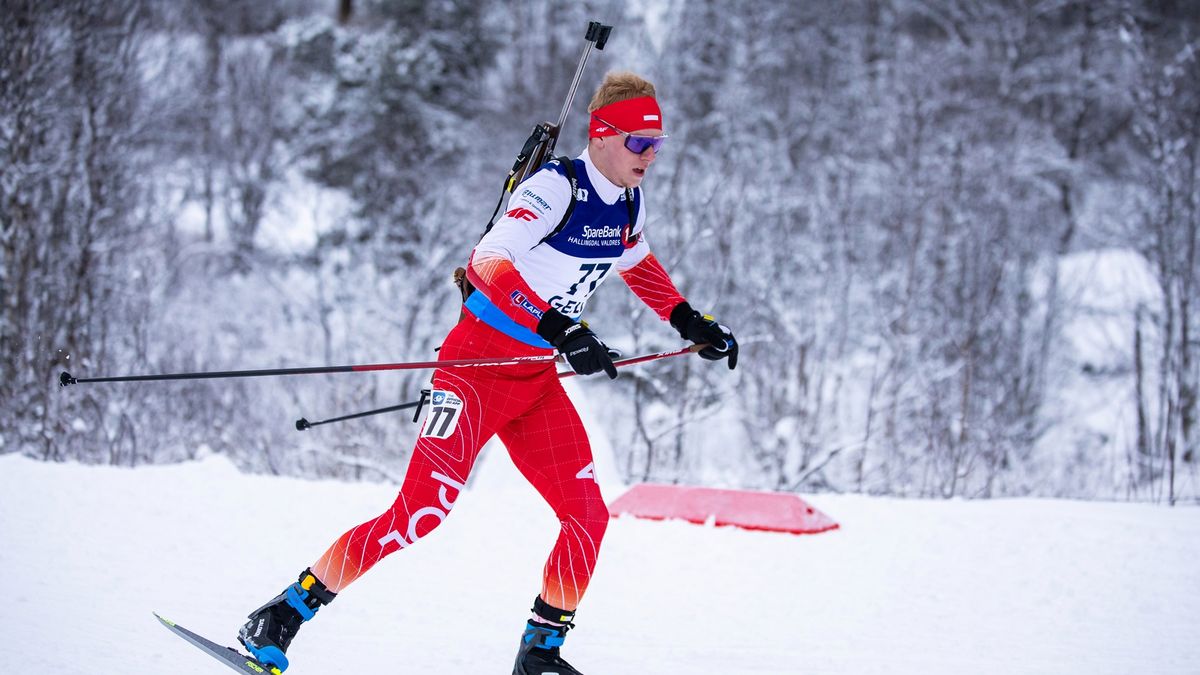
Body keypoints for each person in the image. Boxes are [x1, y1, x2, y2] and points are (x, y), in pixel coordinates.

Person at [236, 71, 738, 675]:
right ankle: (283, 613)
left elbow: (636, 261)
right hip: (475, 369)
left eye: (658, 144)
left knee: (587, 515)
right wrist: (562, 329)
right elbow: (489, 261)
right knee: (418, 515)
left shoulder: (629, 199)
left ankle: (540, 653)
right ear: (602, 136)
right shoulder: (556, 189)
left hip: (534, 382)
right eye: (639, 143)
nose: (650, 156)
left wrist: (689, 320)